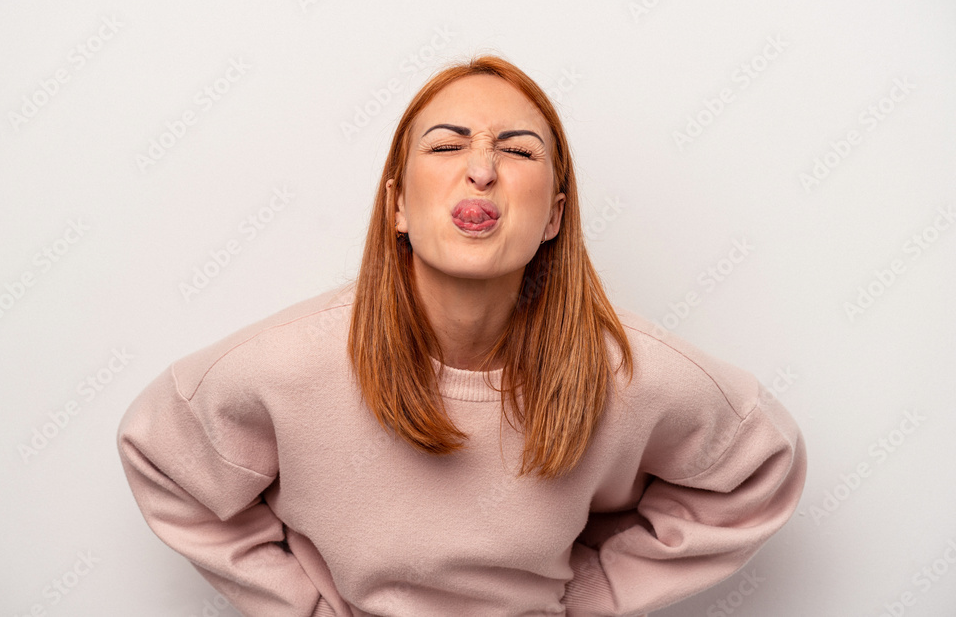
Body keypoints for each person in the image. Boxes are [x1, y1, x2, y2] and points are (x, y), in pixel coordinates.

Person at [116, 54, 807, 617]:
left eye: (518, 150)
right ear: (397, 207)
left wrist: (591, 598)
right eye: (446, 145)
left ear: (553, 218)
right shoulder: (287, 364)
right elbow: (161, 455)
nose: (482, 168)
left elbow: (758, 465)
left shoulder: (628, 373)